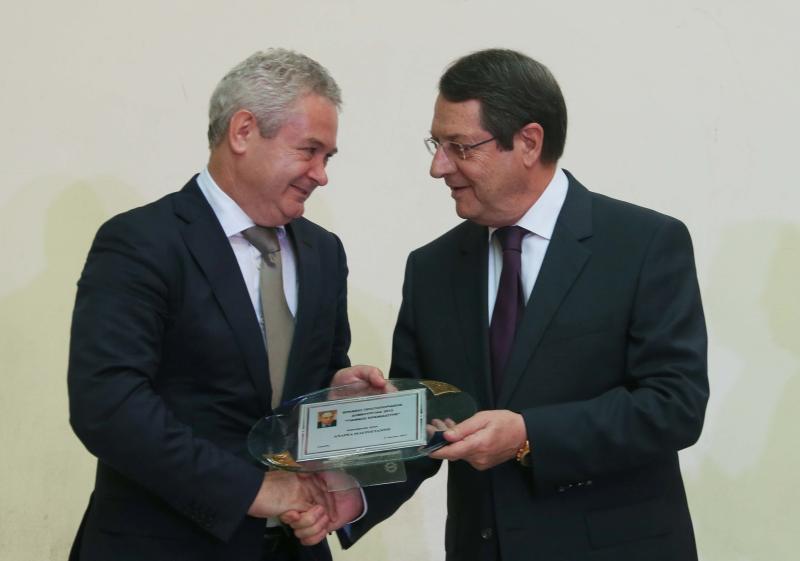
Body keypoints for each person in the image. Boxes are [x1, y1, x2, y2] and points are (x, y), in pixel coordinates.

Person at [285, 49, 709, 560]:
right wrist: (353, 495)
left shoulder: (643, 244)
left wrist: (529, 435)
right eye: (436, 144)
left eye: (460, 147)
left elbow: (674, 406)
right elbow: (423, 422)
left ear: (528, 142)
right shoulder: (432, 268)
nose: (438, 167)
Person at [67, 49, 376, 561]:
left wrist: (335, 391)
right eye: (310, 151)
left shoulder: (324, 252)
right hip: (164, 546)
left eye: (329, 157)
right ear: (243, 131)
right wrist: (251, 490)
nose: (321, 174)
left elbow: (303, 385)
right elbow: (108, 404)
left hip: (292, 547)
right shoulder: (142, 242)